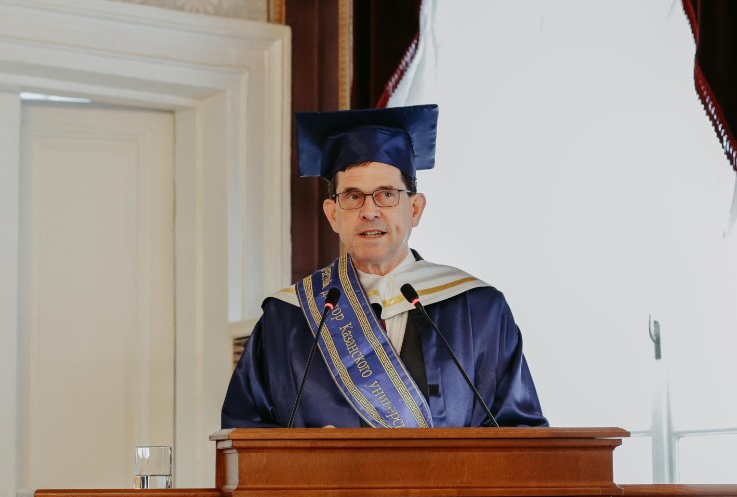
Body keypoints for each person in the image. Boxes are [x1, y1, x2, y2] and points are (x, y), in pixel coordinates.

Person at [221, 104, 547, 428]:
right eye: (352, 197)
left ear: (415, 209)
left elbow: (518, 433)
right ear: (333, 214)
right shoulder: (288, 316)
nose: (369, 211)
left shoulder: (478, 309)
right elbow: (244, 431)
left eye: (387, 194)